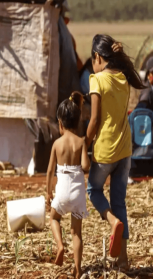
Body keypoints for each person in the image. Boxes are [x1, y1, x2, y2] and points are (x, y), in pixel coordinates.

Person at [85, 34, 145, 269]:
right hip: (125, 151)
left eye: (93, 60)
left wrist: (84, 143)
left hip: (105, 150)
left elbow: (94, 120)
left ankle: (111, 222)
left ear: (98, 57)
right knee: (119, 201)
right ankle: (123, 260)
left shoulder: (96, 79)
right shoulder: (123, 78)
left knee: (93, 190)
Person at [46, 91, 90, 279]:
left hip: (62, 191)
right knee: (76, 232)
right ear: (78, 122)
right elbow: (86, 167)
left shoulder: (57, 144)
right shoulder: (81, 142)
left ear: (61, 124)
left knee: (54, 219)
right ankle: (78, 269)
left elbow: (49, 171)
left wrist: (48, 191)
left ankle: (60, 245)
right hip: (78, 194)